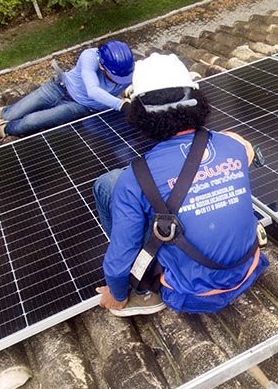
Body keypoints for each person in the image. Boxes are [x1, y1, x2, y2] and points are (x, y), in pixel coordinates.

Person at [93, 52, 268, 317]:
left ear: (141, 114)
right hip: (249, 269)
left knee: (108, 183)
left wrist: (116, 295)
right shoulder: (233, 144)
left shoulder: (135, 178)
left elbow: (118, 262)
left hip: (191, 295)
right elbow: (245, 148)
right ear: (198, 102)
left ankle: (144, 292)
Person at [0, 40, 134, 141]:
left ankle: (0, 129)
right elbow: (93, 90)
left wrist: (133, 92)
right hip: (58, 87)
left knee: (30, 122)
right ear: (101, 66)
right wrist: (121, 104)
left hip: (80, 107)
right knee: (13, 114)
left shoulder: (129, 70)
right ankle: (3, 113)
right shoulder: (89, 57)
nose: (119, 80)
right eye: (115, 76)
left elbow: (138, 85)